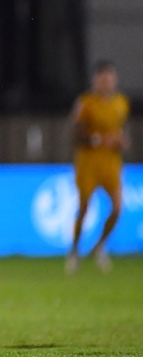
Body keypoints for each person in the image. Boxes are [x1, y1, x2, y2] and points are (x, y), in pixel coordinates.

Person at [67, 61, 129, 275]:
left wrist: (121, 142)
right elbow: (74, 133)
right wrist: (95, 139)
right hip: (88, 161)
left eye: (109, 78)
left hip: (111, 162)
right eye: (102, 78)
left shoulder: (121, 103)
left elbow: (119, 132)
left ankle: (100, 246)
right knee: (84, 208)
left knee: (118, 207)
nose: (106, 82)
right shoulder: (86, 103)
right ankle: (74, 251)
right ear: (96, 81)